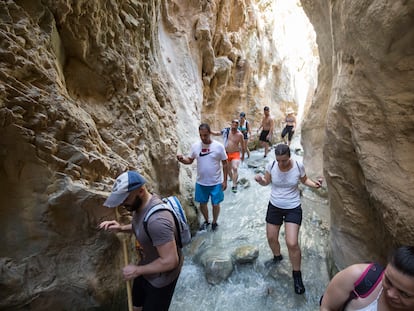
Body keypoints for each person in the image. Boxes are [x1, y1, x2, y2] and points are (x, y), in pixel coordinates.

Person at [99, 171, 183, 311]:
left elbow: (170, 261)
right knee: (137, 305)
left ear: (141, 191)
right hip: (147, 267)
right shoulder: (140, 206)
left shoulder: (158, 220)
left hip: (161, 279)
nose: (121, 203)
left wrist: (137, 270)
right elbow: (142, 226)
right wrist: (121, 228)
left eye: (125, 198)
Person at [254, 143, 322, 295]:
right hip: (275, 206)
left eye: (284, 160)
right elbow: (267, 181)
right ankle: (277, 257)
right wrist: (260, 180)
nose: (281, 163)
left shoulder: (298, 165)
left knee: (292, 242)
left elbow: (304, 180)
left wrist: (315, 185)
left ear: (289, 157)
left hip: (293, 207)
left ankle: (297, 275)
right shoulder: (271, 165)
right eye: (278, 160)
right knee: (271, 238)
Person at [320, 245, 414, 311]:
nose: (390, 294)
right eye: (388, 281)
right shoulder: (356, 276)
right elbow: (327, 306)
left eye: (404, 294)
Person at [177, 123, 228, 231]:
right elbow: (189, 160)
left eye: (205, 135)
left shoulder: (218, 146)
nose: (203, 138)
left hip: (216, 182)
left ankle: (214, 222)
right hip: (201, 182)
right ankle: (207, 221)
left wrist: (225, 181)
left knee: (216, 204)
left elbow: (225, 163)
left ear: (210, 133)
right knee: (202, 204)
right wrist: (182, 159)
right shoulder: (195, 146)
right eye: (201, 135)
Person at [212, 120, 245, 193]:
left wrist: (243, 155)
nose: (234, 126)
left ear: (238, 126)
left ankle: (234, 185)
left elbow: (243, 146)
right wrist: (210, 131)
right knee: (228, 170)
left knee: (235, 168)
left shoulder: (240, 135)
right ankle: (232, 178)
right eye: (233, 124)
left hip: (235, 153)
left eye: (236, 125)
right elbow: (217, 133)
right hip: (226, 153)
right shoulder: (226, 131)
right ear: (231, 124)